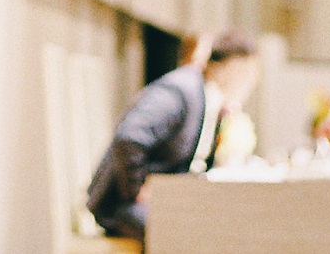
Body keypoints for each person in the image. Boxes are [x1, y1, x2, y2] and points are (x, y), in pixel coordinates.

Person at [86, 29, 261, 243]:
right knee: (189, 235)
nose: (251, 83)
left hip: (166, 200)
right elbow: (130, 137)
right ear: (232, 67)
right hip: (121, 204)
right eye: (249, 74)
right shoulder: (180, 91)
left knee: (221, 224)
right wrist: (136, 190)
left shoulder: (209, 97)